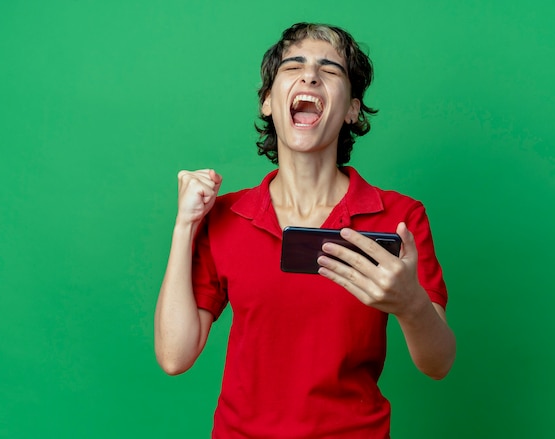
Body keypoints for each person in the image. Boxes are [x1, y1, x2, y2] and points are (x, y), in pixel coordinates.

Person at [154, 22, 456, 438]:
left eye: (330, 70)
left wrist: (411, 304)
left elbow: (438, 364)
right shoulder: (226, 215)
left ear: (351, 109)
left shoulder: (399, 217)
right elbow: (175, 356)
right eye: (293, 65)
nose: (310, 75)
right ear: (267, 103)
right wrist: (185, 225)